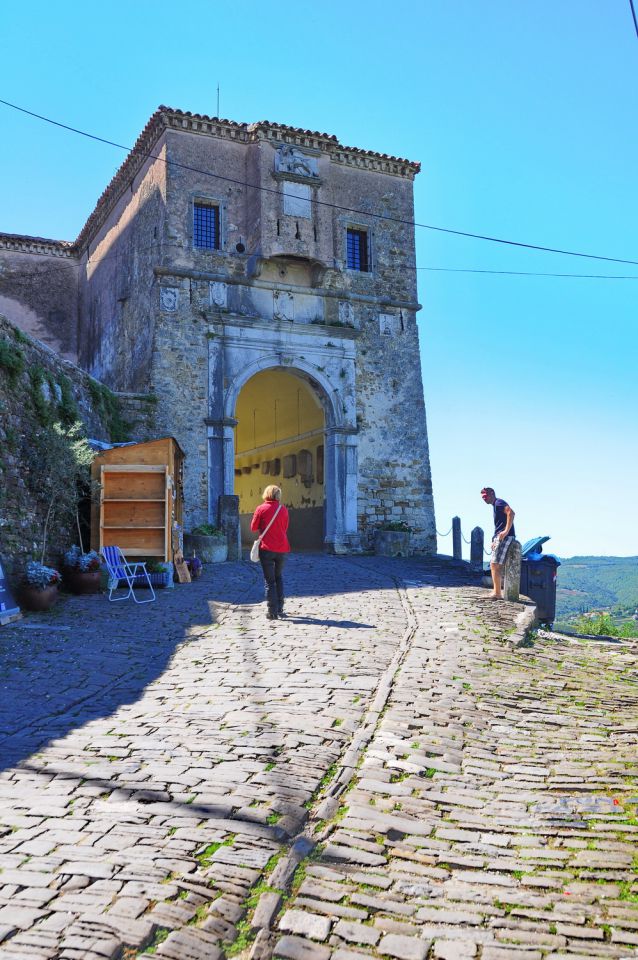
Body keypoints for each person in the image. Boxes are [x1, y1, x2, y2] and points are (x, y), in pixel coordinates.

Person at [250, 485, 290, 620]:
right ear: (278, 495)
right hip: (282, 549)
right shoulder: (283, 509)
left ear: (266, 494)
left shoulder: (261, 509)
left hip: (266, 548)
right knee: (278, 577)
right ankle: (280, 607)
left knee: (269, 580)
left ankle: (272, 611)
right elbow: (285, 527)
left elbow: (253, 527)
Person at [481, 487, 516, 599]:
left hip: (505, 537)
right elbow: (499, 525)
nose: (484, 499)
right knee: (494, 564)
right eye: (483, 497)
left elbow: (511, 513)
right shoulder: (495, 505)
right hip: (500, 537)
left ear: (492, 493)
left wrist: (505, 532)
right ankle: (496, 592)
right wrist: (494, 539)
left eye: (486, 496)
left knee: (495, 564)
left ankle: (497, 593)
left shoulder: (499, 502)